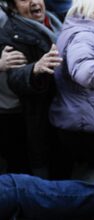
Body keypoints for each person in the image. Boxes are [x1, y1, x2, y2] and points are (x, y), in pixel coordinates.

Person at [48, 0, 94, 180]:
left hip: (70, 118)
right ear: (88, 7)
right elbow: (84, 71)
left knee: (62, 182)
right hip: (90, 122)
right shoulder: (84, 35)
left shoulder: (73, 27)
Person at [0, 0, 62, 177]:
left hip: (56, 111)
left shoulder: (54, 20)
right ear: (13, 7)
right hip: (14, 109)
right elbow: (15, 76)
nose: (34, 1)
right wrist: (34, 69)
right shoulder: (12, 33)